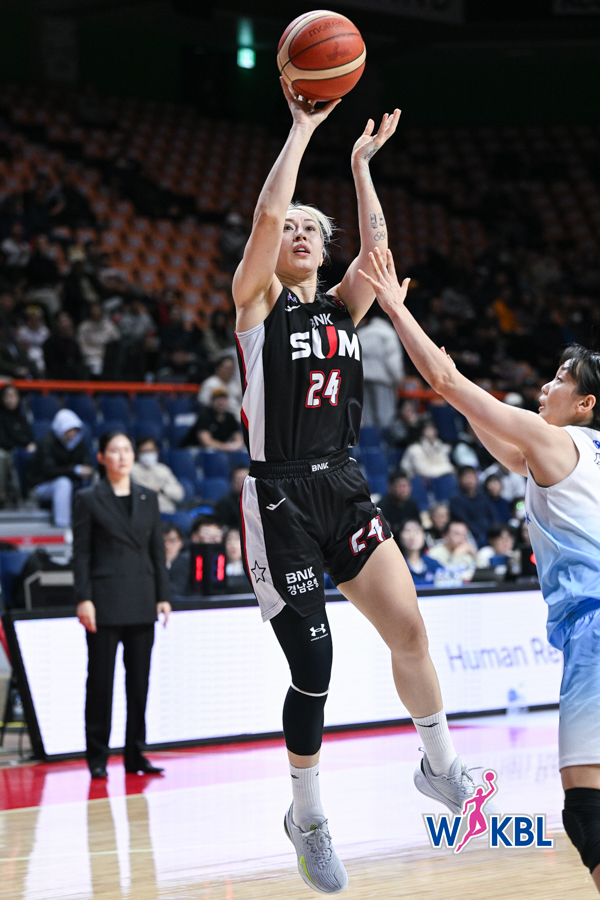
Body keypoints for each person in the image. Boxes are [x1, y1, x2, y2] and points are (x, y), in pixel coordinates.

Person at [232, 81, 494, 895]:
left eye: (313, 229)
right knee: (315, 664)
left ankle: (440, 766)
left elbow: (377, 259)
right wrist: (301, 130)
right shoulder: (257, 306)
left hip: (341, 484)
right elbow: (265, 218)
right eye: (293, 228)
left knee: (408, 628)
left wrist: (361, 166)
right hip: (279, 498)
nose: (299, 233)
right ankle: (307, 815)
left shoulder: (344, 311)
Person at [358, 243, 600, 890]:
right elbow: (489, 430)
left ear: (584, 403)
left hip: (595, 629)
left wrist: (395, 309)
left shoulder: (552, 439)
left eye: (559, 380)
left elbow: (446, 382)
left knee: (588, 812)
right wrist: (463, 397)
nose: (545, 386)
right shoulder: (576, 450)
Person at [73, 430, 172, 779]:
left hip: (142, 597)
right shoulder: (88, 498)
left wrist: (163, 595)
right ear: (102, 458)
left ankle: (136, 754)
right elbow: (81, 554)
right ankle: (97, 755)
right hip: (103, 601)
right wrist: (83, 598)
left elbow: (157, 551)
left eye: (127, 450)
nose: (123, 456)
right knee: (100, 682)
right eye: (114, 451)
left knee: (139, 682)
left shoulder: (148, 496)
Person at [26, 409, 94, 528]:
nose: (72, 434)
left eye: (74, 430)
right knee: (63, 483)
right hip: (41, 485)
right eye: (68, 430)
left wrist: (88, 470)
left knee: (94, 482)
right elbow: (49, 471)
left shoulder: (78, 442)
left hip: (72, 482)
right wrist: (75, 470)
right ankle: (63, 525)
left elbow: (86, 461)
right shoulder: (47, 443)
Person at [357, 308, 404, 427]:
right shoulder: (388, 333)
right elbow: (393, 361)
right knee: (385, 417)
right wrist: (399, 379)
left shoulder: (362, 333)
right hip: (382, 382)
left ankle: (371, 439)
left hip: (363, 380)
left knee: (367, 417)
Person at [0, 384, 35, 504]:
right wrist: (22, 443)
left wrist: (31, 444)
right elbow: (3, 440)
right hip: (6, 450)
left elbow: (30, 437)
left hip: (21, 450)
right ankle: (1, 495)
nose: (11, 399)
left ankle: (29, 494)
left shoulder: (22, 417)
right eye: (7, 396)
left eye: (14, 396)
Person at [130, 436, 185, 513]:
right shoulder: (132, 470)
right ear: (137, 453)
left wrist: (162, 489)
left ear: (157, 451)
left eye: (151, 451)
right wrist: (160, 490)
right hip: (146, 513)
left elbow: (179, 494)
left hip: (169, 512)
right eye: (145, 451)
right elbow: (145, 494)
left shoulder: (163, 469)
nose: (149, 454)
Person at [449, 465, 498, 548]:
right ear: (460, 479)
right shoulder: (455, 500)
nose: (469, 480)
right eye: (466, 477)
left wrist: (493, 532)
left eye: (471, 476)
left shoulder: (484, 497)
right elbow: (464, 521)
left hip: (489, 533)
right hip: (471, 536)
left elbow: (492, 516)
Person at [186, 388, 244, 452]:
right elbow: (206, 441)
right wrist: (225, 447)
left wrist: (233, 446)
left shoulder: (230, 417)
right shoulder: (204, 415)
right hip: (197, 448)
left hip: (220, 450)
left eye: (223, 399)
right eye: (218, 399)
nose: (221, 402)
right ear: (212, 401)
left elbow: (239, 440)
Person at [77, 302, 120, 376]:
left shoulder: (109, 325)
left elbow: (117, 340)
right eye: (94, 309)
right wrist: (96, 354)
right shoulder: (84, 327)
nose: (96, 312)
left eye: (98, 309)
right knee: (97, 364)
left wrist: (106, 354)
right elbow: (82, 347)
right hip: (91, 357)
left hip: (108, 356)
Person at [397, 519, 445, 586]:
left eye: (417, 531)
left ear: (424, 536)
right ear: (400, 536)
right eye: (407, 531)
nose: (412, 536)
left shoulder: (433, 564)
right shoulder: (396, 565)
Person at [43, 311, 87, 380]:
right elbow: (53, 367)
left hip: (75, 380)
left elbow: (79, 362)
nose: (67, 325)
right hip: (57, 380)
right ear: (57, 325)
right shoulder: (50, 344)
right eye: (63, 322)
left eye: (68, 321)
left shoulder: (74, 343)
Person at [377, 469, 421, 536]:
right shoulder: (382, 506)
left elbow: (418, 526)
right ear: (390, 487)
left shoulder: (412, 504)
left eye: (406, 485)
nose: (404, 490)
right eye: (400, 486)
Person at [198, 355, 243, 420]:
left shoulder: (234, 385)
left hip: (238, 417)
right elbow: (204, 403)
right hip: (219, 418)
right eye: (226, 368)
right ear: (218, 368)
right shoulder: (210, 383)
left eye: (231, 368)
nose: (229, 371)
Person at [214, 464, 249, 529]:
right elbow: (222, 526)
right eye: (238, 480)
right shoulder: (224, 504)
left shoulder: (259, 500)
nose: (242, 483)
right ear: (231, 482)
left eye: (245, 479)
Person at [163, 522, 191, 596]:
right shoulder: (148, 565)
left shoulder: (188, 565)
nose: (166, 545)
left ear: (180, 543)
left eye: (171, 541)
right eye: (162, 541)